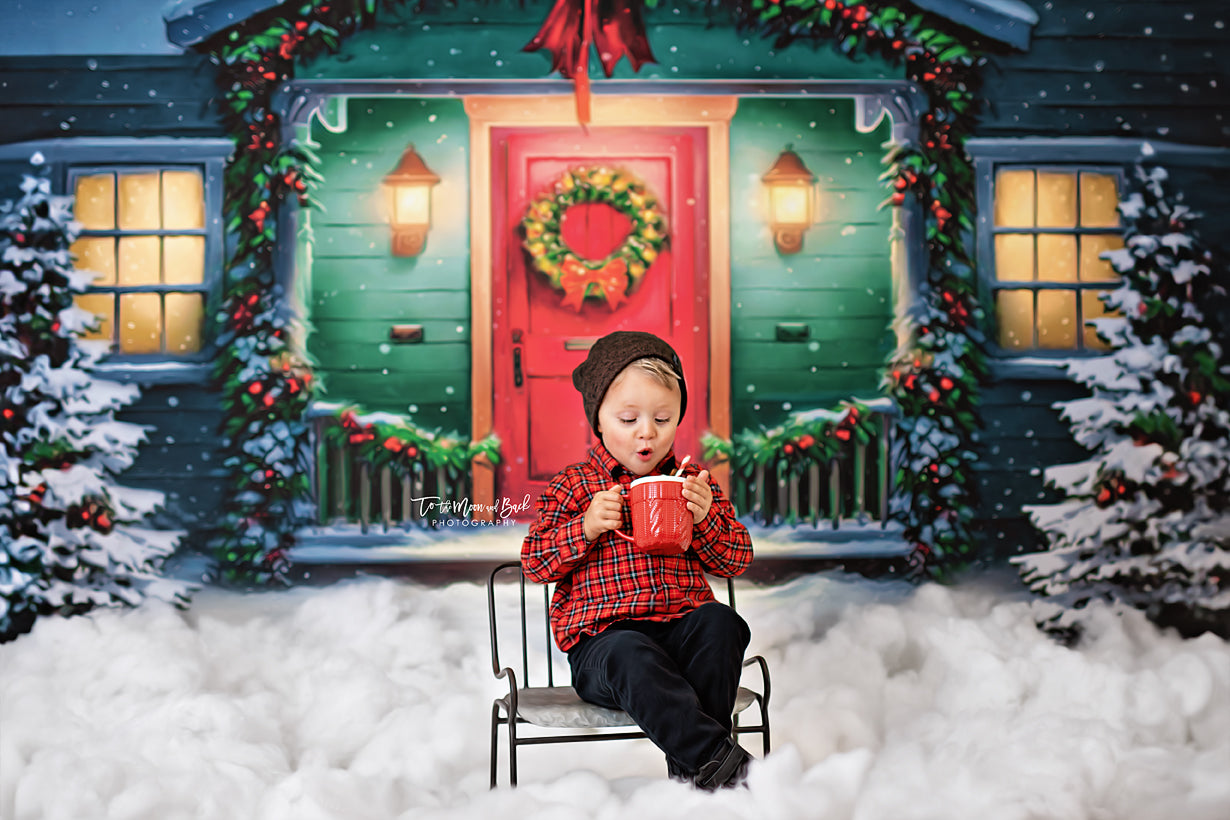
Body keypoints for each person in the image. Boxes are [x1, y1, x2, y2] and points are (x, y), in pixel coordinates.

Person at [521, 330, 756, 790]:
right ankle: (726, 767)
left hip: (682, 638)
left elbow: (737, 559)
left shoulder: (693, 483)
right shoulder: (574, 486)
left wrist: (705, 518)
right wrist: (586, 527)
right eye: (629, 419)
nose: (647, 432)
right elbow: (535, 563)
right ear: (599, 420)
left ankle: (699, 778)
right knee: (631, 652)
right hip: (605, 649)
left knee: (721, 622)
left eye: (663, 418)